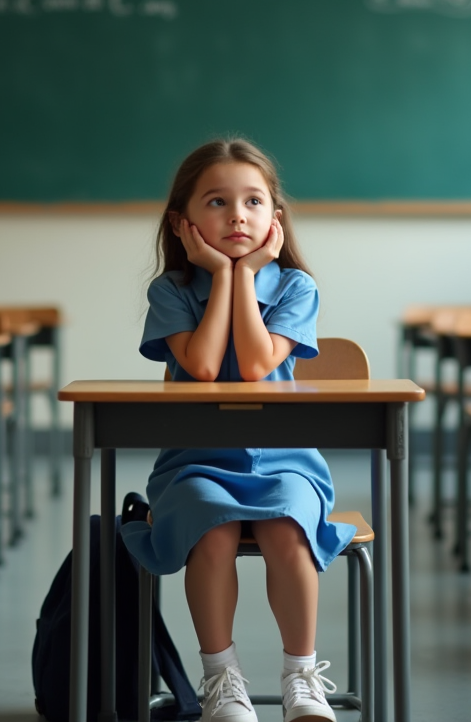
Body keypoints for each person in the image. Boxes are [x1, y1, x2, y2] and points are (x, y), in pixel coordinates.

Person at [121, 138, 355, 722]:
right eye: (218, 202)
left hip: (284, 461)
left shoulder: (297, 287)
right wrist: (226, 276)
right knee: (212, 526)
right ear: (183, 223)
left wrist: (246, 273)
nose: (237, 216)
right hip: (195, 463)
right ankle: (221, 676)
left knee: (286, 527)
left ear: (274, 218)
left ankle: (301, 674)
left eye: (253, 201)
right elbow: (201, 368)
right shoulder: (171, 291)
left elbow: (253, 366)